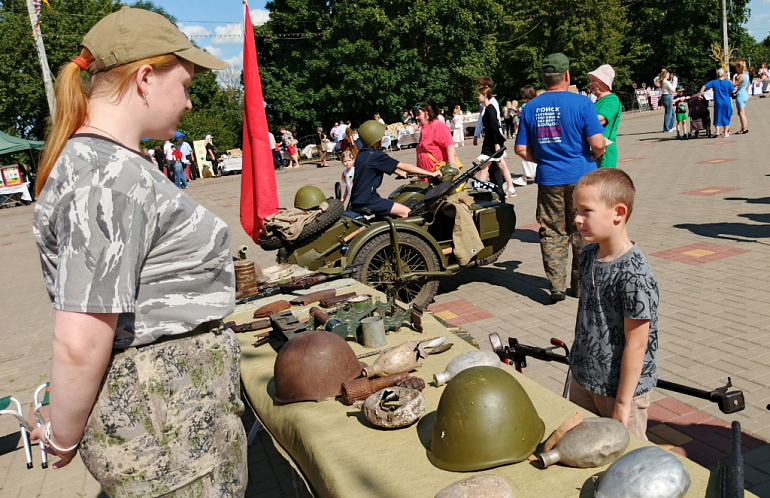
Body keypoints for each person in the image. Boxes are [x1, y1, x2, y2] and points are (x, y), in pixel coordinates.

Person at [28, 7, 246, 496]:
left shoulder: (110, 166)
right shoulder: (107, 180)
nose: (190, 103)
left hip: (170, 423)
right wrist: (62, 438)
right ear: (146, 77)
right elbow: (80, 337)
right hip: (168, 434)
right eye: (186, 85)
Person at [569, 168, 659, 440]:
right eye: (576, 210)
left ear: (618, 213)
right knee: (582, 446)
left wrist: (623, 404)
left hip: (621, 390)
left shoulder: (634, 273)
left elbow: (637, 343)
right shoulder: (587, 255)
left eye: (586, 210)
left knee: (625, 465)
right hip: (584, 380)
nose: (577, 218)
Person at [514, 53, 606, 303]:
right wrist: (598, 152)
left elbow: (520, 149)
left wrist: (543, 158)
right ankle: (580, 286)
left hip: (548, 179)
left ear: (544, 78)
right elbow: (597, 144)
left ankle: (556, 285)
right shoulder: (582, 104)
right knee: (582, 230)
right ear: (567, 76)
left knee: (552, 231)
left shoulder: (530, 108)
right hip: (581, 177)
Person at [350, 120, 440, 218]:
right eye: (382, 137)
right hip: (369, 200)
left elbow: (381, 167)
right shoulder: (376, 156)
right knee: (408, 213)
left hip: (358, 198)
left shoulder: (363, 154)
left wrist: (400, 173)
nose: (383, 139)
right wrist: (432, 174)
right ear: (375, 138)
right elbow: (405, 166)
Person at [471, 76, 516, 195]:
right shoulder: (486, 108)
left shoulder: (491, 108)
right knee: (490, 165)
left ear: (485, 94)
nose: (477, 96)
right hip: (490, 140)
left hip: (493, 141)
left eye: (479, 94)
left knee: (497, 165)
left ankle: (487, 188)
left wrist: (496, 144)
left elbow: (494, 126)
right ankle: (485, 188)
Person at [588, 64, 622, 168]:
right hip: (595, 149)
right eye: (590, 81)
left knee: (604, 183)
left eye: (594, 80)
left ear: (604, 83)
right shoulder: (596, 102)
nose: (590, 84)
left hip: (604, 151)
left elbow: (600, 120)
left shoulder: (612, 100)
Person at [414, 103, 457, 176]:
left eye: (419, 114)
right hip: (426, 175)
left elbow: (449, 145)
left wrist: (451, 168)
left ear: (427, 114)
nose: (416, 117)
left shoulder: (437, 125)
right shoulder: (424, 128)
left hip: (438, 175)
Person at [699, 67, 734, 138]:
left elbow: (704, 86)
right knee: (726, 116)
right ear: (723, 74)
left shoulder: (714, 82)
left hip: (718, 102)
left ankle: (717, 131)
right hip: (727, 102)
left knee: (718, 115)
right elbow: (733, 91)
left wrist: (700, 95)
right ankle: (725, 133)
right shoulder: (728, 82)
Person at [733, 60, 750, 134]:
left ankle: (744, 128)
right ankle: (743, 127)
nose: (736, 69)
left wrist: (734, 77)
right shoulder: (747, 75)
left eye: (737, 67)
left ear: (740, 68)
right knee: (740, 113)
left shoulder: (742, 76)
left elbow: (734, 84)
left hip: (740, 95)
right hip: (744, 94)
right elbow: (748, 84)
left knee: (741, 113)